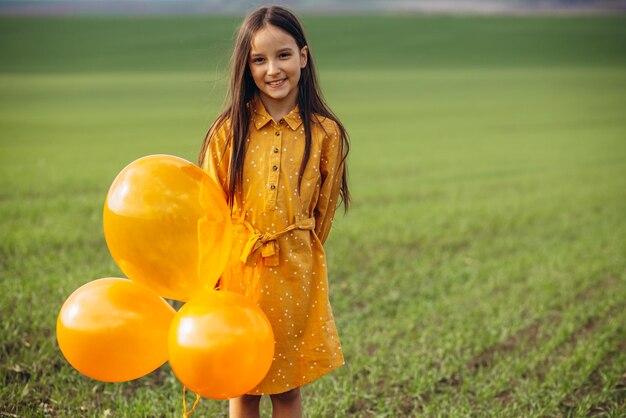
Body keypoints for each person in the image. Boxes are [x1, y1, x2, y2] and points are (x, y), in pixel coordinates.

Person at [198, 5, 350, 418]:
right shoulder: (227, 131)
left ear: (303, 55)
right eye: (259, 60)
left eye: (283, 55)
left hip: (293, 276)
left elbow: (322, 217)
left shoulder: (325, 133)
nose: (273, 69)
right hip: (238, 275)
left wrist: (293, 246)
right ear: (246, 68)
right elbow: (210, 211)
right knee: (242, 384)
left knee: (287, 389)